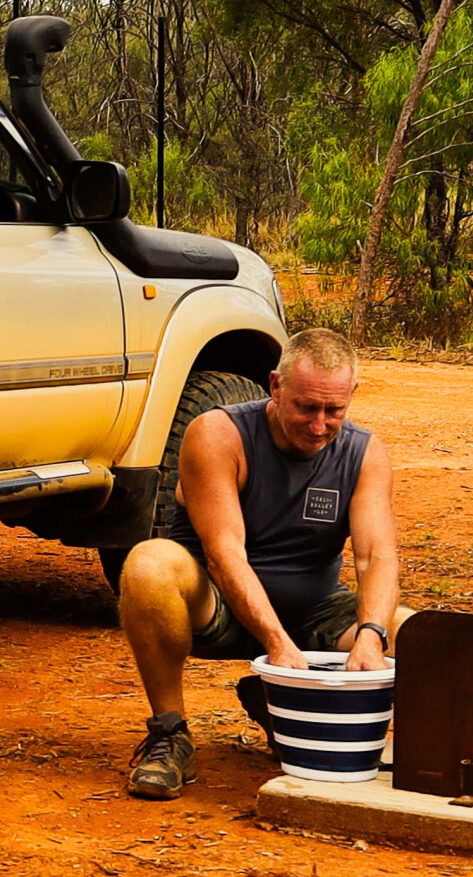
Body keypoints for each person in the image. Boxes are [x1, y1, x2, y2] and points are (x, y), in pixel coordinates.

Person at [119, 328, 404, 799]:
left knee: (417, 635)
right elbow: (224, 552)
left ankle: (281, 708)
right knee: (149, 566)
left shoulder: (365, 452)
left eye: (334, 411)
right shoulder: (218, 433)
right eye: (306, 408)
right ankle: (169, 734)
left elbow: (377, 556)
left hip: (313, 609)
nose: (319, 425)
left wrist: (372, 634)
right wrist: (277, 644)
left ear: (352, 395)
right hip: (219, 604)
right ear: (275, 386)